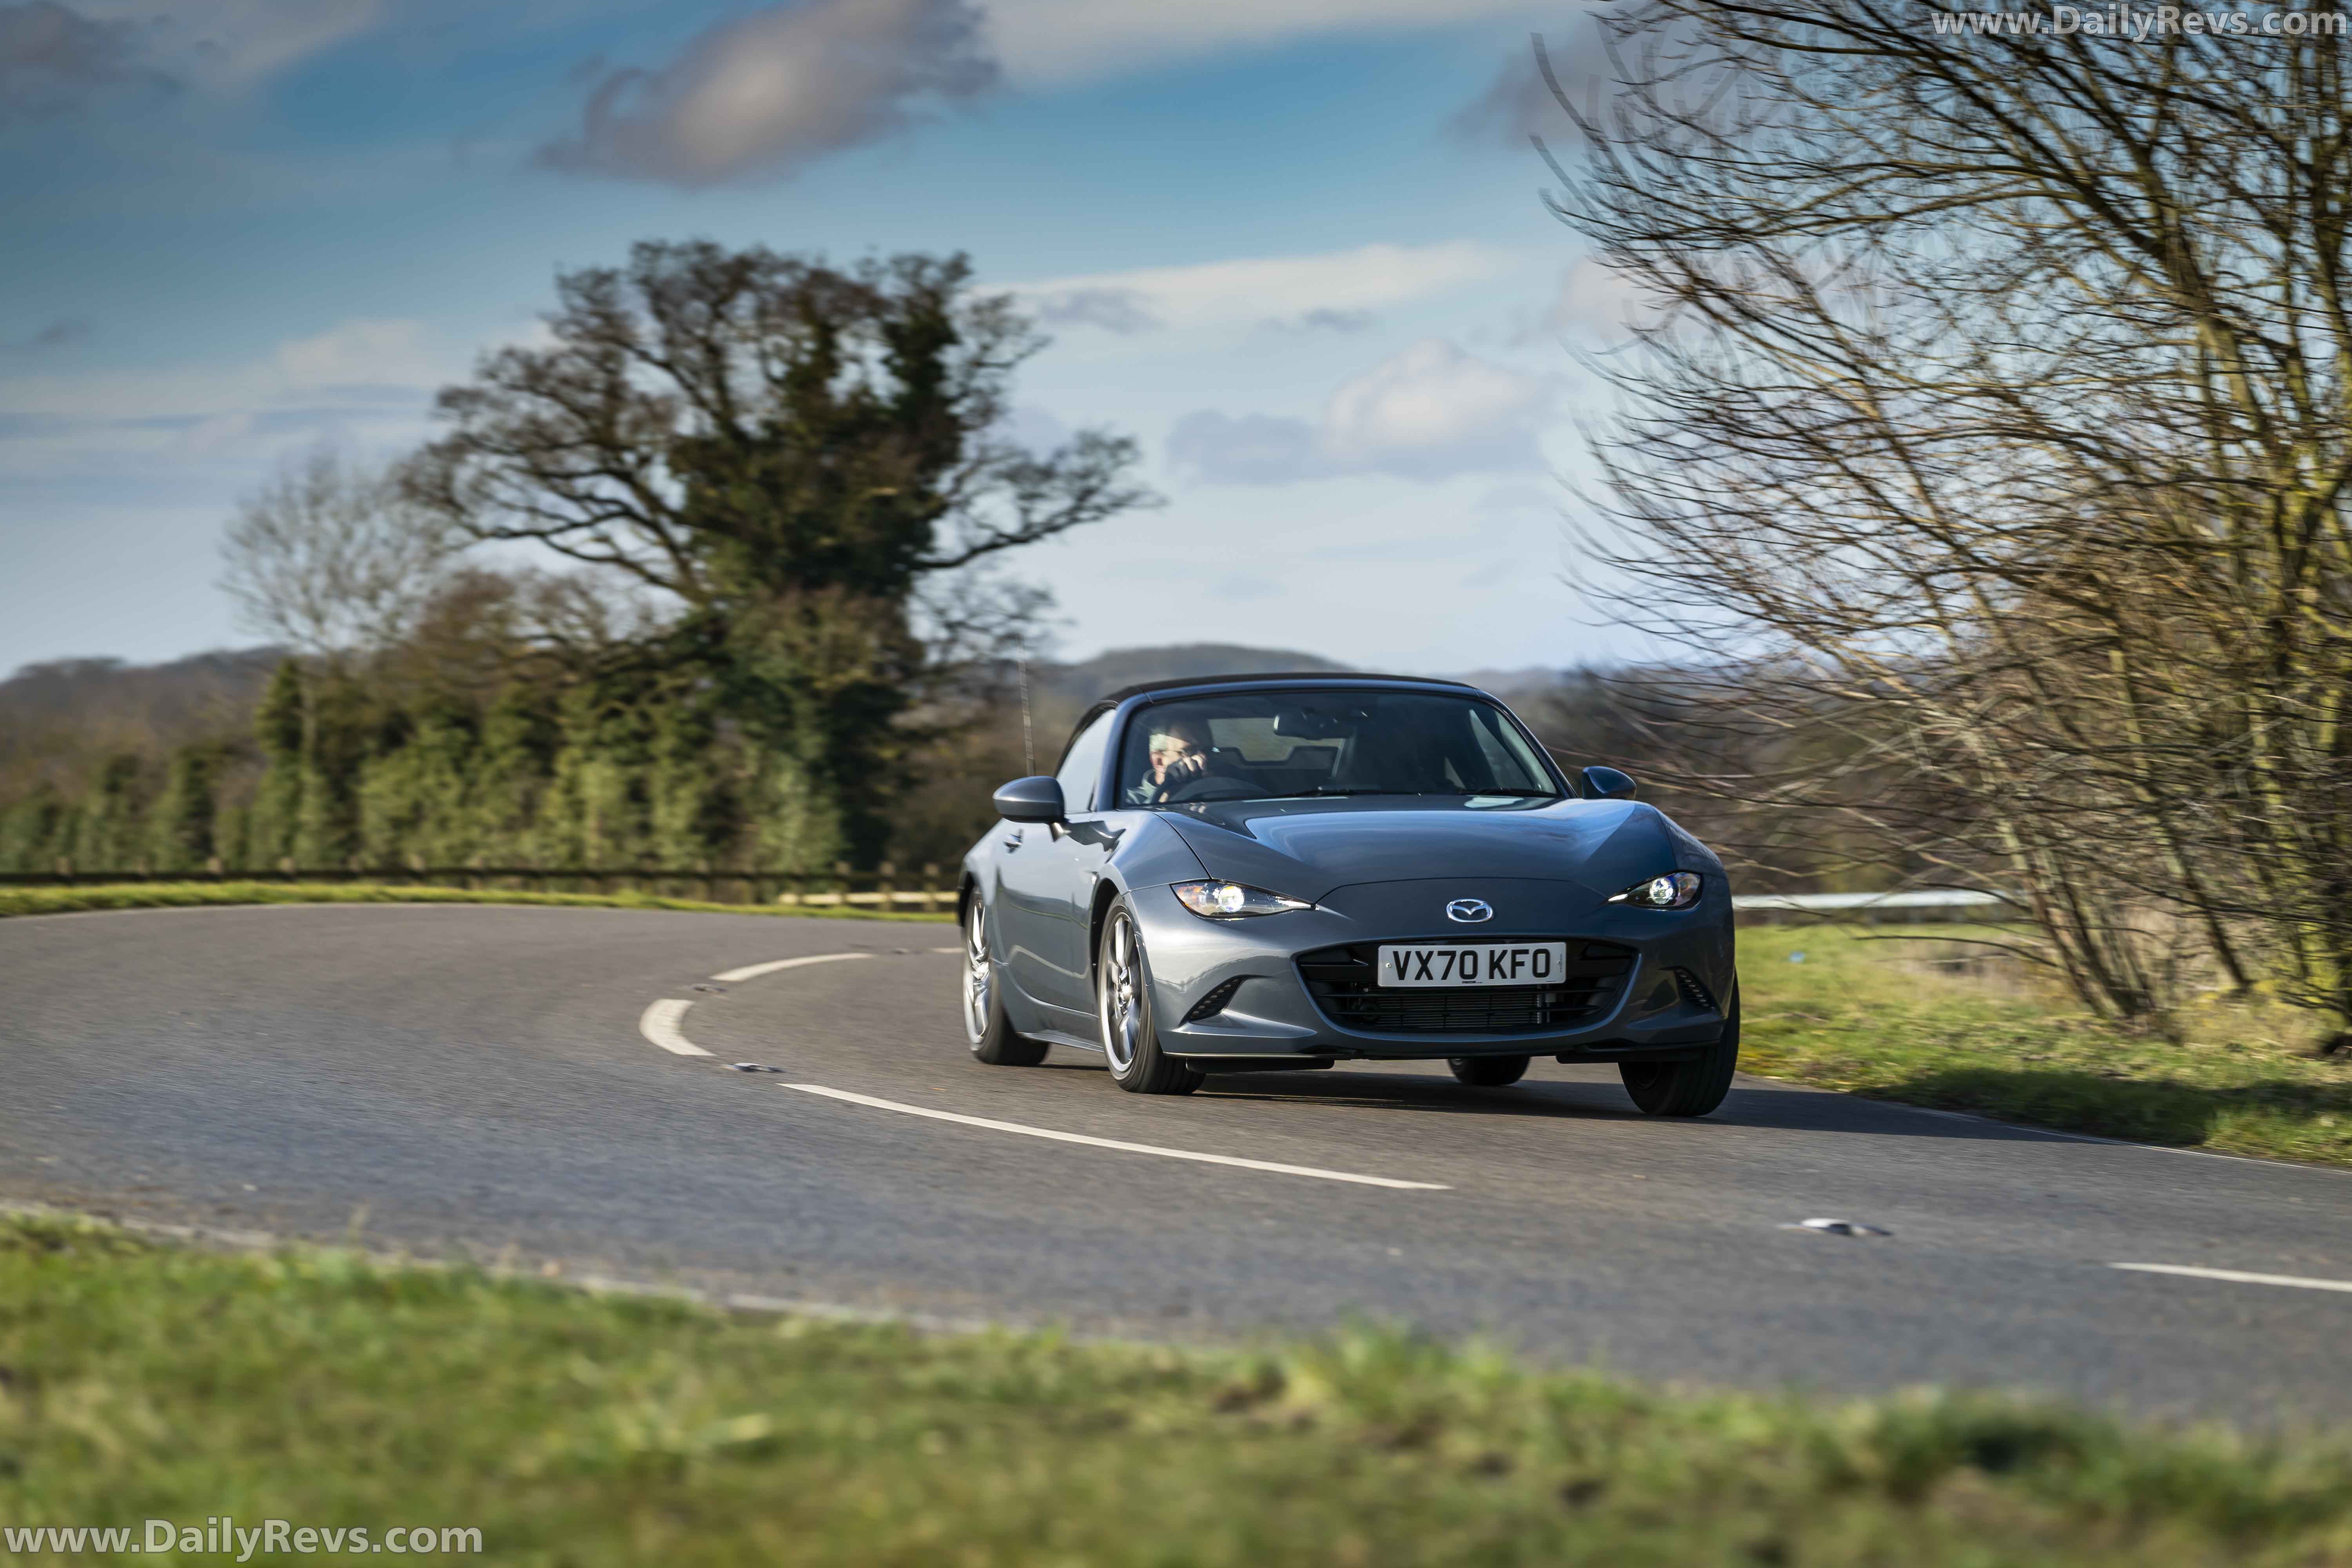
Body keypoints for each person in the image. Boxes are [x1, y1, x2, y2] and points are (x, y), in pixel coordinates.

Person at [1123, 715, 1217, 805]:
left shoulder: (1221, 785)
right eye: (1189, 751)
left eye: (1208, 750)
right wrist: (1165, 795)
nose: (1203, 758)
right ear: (1159, 761)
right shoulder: (1127, 801)